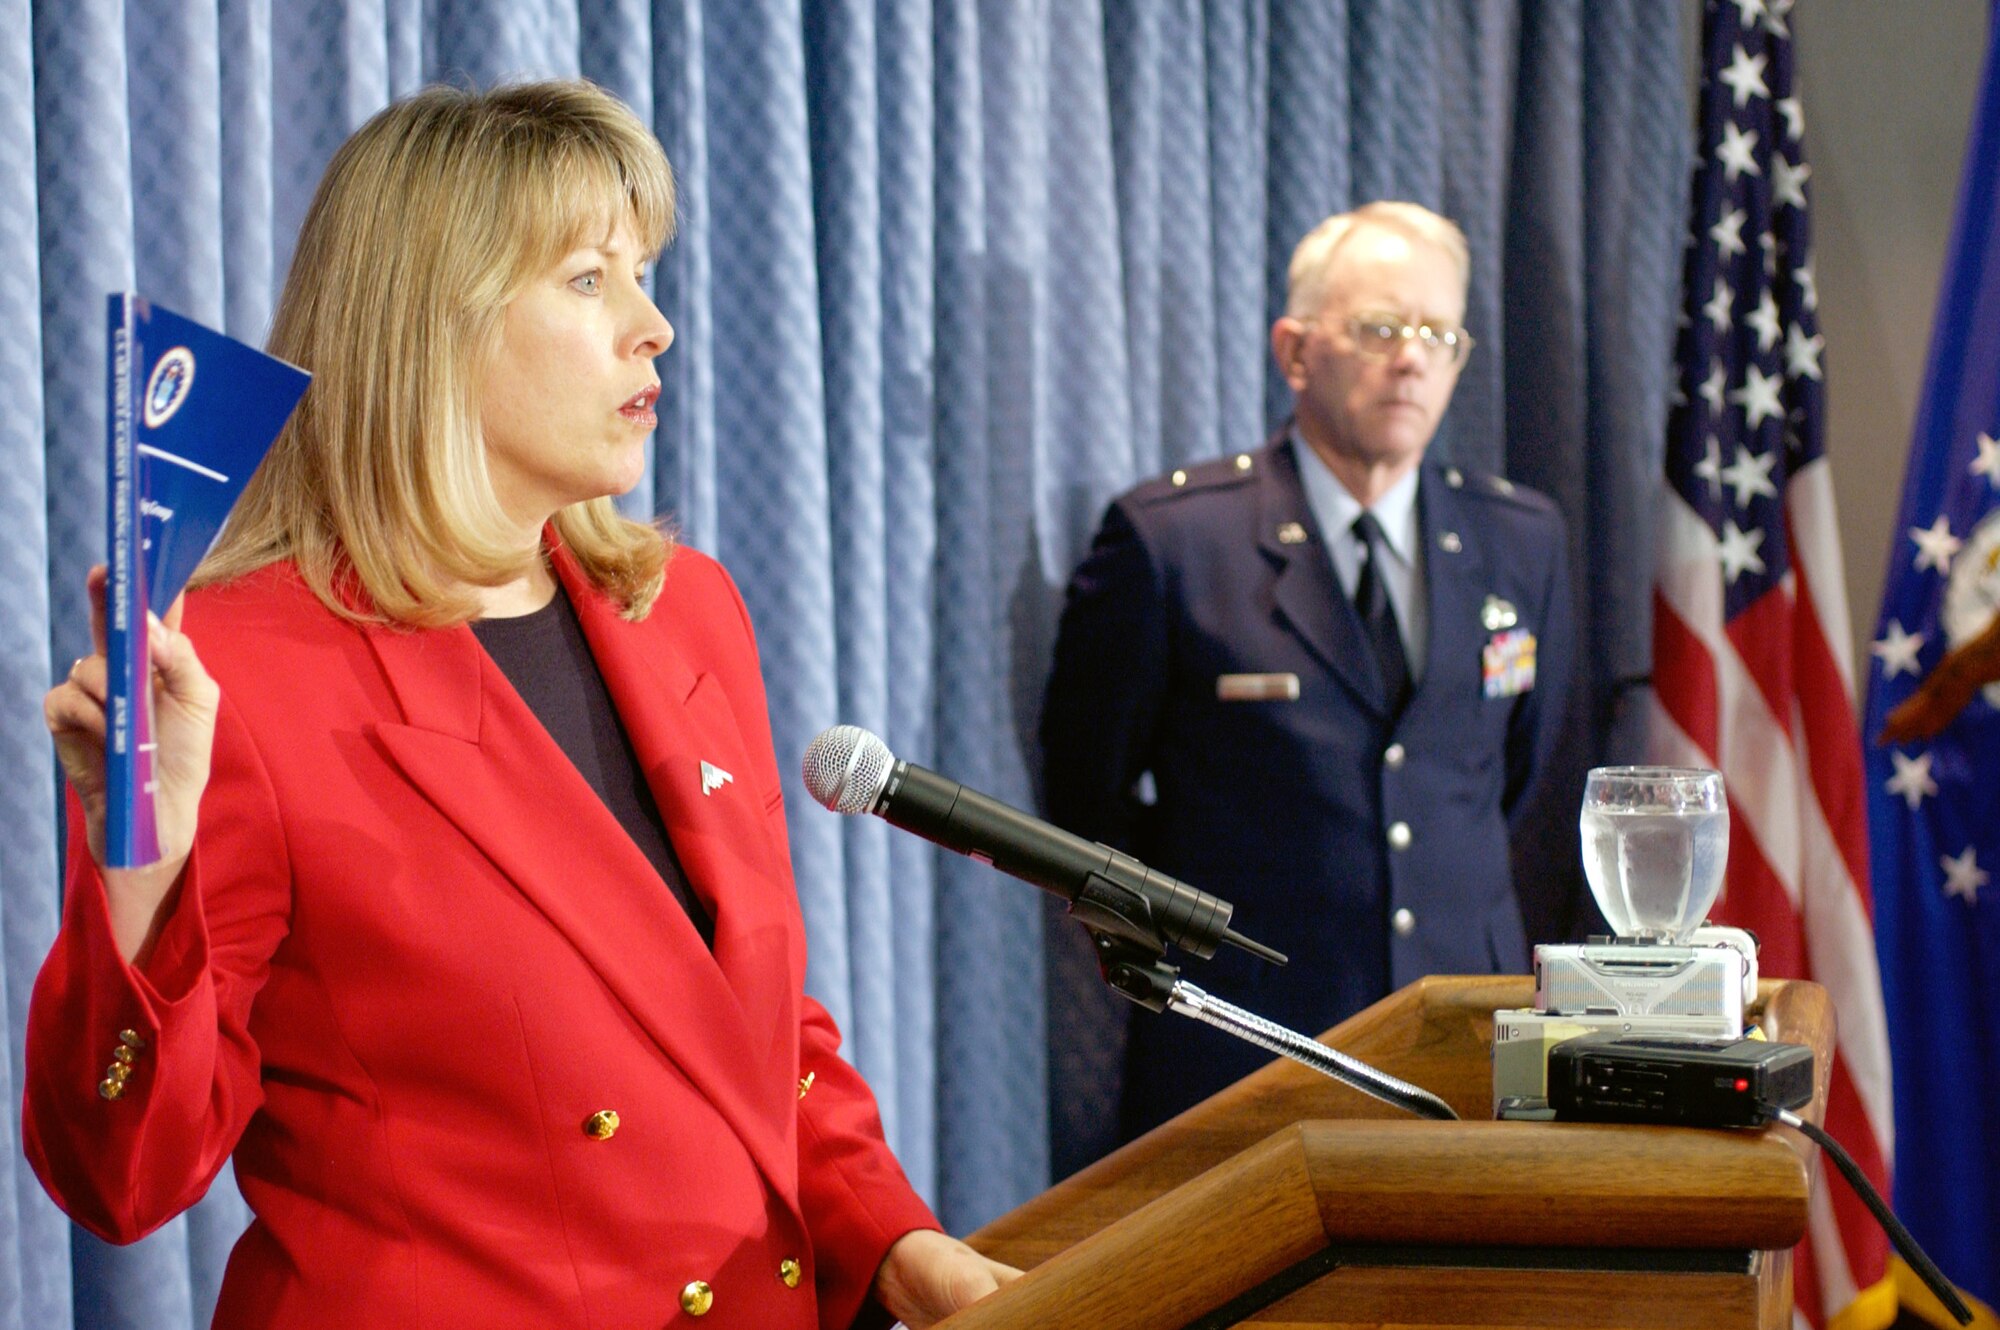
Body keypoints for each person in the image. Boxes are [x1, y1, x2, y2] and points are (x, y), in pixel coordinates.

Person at [32, 81, 1014, 1329]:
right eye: (591, 280)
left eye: (644, 274)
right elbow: (120, 1179)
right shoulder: (240, 668)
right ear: (430, 323)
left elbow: (745, 1038)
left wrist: (892, 1237)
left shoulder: (684, 607)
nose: (653, 327)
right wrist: (137, 865)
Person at [1041, 201, 1575, 1140]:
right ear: (1295, 352)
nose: (1412, 357)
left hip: (1465, 1038)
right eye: (1378, 328)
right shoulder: (1175, 539)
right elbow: (1088, 794)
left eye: (1438, 334)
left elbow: (1508, 773)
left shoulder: (1519, 537)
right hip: (1244, 1046)